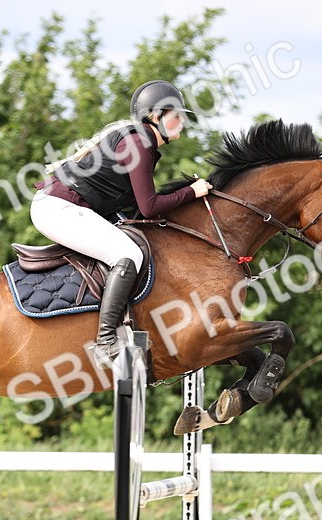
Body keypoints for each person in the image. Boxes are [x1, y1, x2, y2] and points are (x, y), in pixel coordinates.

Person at [31, 80, 211, 360]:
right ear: (156, 116)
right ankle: (105, 341)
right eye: (177, 115)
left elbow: (138, 212)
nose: (182, 122)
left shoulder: (141, 141)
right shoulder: (138, 142)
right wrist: (192, 192)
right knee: (129, 253)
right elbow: (150, 208)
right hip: (59, 208)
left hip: (62, 206)